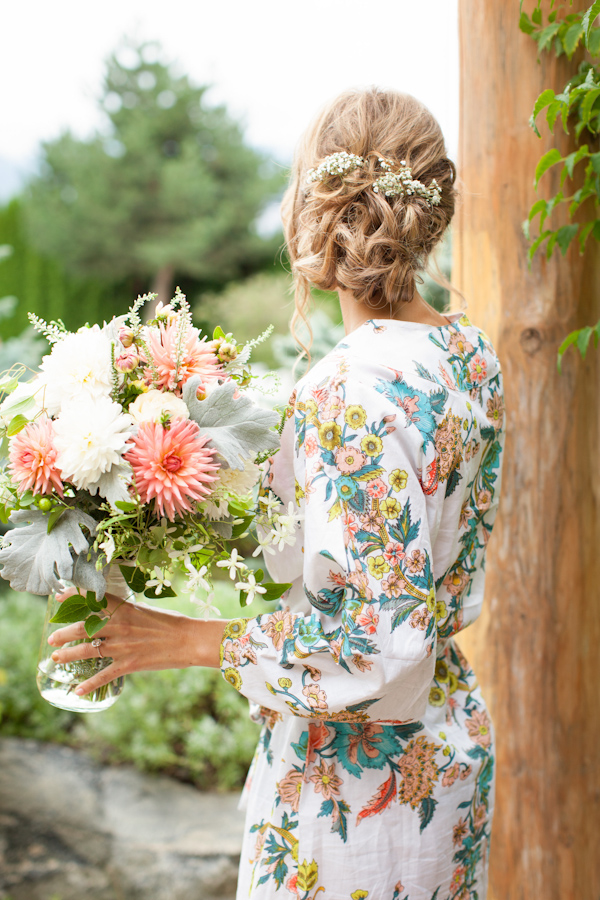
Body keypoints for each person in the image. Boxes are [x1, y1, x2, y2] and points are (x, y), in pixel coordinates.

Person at [48, 88, 505, 900]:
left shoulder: (344, 390)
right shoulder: (469, 356)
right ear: (433, 209)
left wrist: (182, 639)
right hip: (448, 762)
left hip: (357, 796)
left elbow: (379, 655)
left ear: (311, 208)